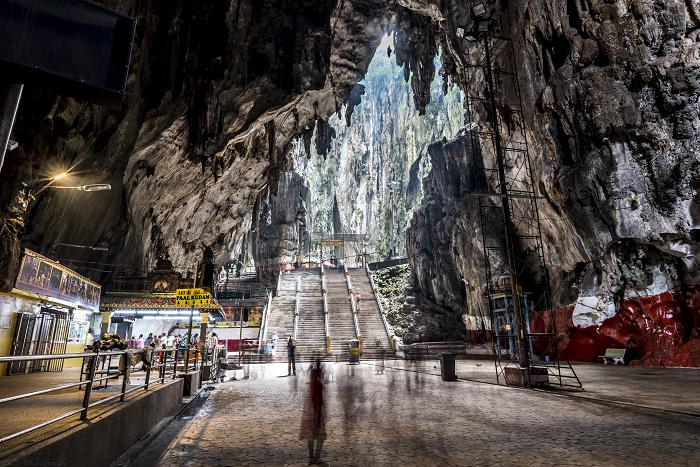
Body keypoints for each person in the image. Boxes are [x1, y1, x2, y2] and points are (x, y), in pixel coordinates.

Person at [299, 358, 326, 464]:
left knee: (310, 436)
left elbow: (305, 401)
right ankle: (317, 457)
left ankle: (311, 457)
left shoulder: (307, 386)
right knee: (320, 437)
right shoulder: (319, 386)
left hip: (308, 415)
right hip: (317, 414)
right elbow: (322, 401)